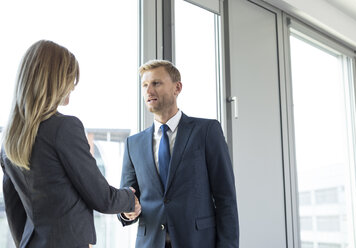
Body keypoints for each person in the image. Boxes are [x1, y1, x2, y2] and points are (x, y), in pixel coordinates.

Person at [0, 40, 141, 248]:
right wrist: (130, 198)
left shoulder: (9, 141)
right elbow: (102, 197)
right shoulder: (64, 128)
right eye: (70, 80)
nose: (72, 88)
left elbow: (14, 211)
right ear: (54, 81)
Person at [118, 60, 239, 248]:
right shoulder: (133, 144)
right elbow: (127, 197)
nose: (149, 91)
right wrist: (127, 211)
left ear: (177, 87)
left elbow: (226, 198)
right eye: (144, 85)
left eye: (156, 83)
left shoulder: (207, 131)